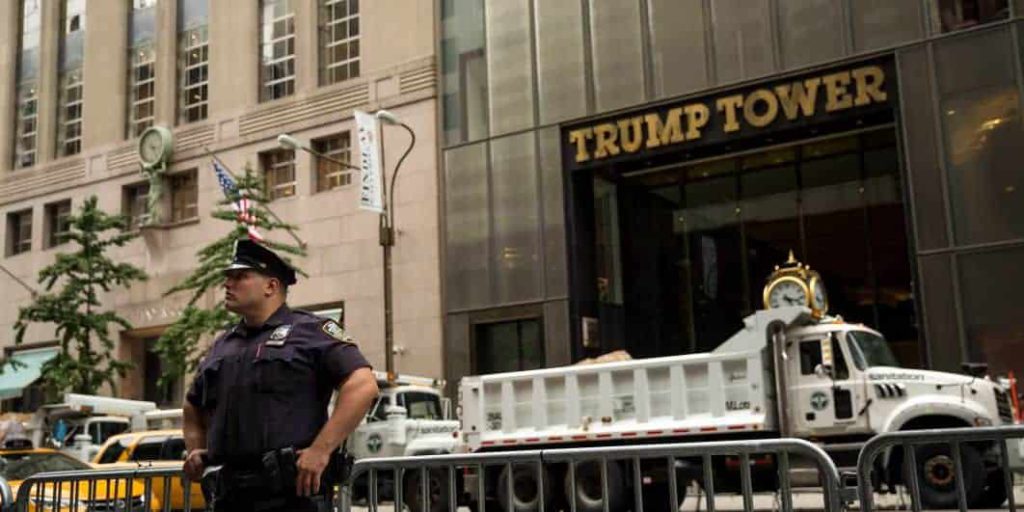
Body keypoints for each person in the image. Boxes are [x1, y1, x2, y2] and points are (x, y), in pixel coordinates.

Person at [182, 239, 378, 511]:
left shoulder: (311, 331)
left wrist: (321, 450)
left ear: (271, 286)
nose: (228, 284)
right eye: (228, 277)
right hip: (229, 495)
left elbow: (362, 385)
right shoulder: (223, 345)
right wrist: (196, 449)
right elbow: (192, 405)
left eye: (240, 276)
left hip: (291, 494)